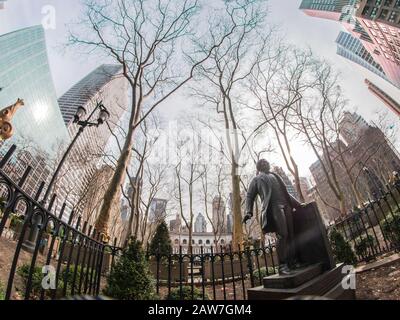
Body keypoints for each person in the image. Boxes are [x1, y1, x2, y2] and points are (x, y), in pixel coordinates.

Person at [243, 159, 305, 275]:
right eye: (264, 163)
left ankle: (293, 262)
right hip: (274, 207)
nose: (267, 164)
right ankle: (282, 266)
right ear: (259, 167)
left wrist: (298, 204)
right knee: (283, 234)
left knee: (291, 234)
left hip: (286, 205)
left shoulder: (275, 176)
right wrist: (249, 212)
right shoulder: (256, 179)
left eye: (267, 162)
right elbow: (250, 196)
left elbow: (286, 193)